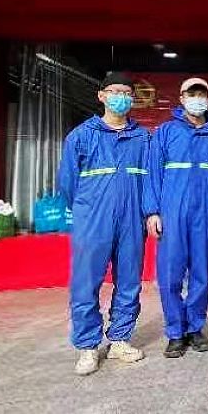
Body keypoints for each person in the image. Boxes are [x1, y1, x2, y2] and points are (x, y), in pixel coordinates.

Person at [58, 72, 150, 376]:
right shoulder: (81, 136)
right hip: (92, 219)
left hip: (132, 219)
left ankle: (120, 339)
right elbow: (68, 184)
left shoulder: (142, 138)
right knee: (86, 282)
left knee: (129, 280)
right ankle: (88, 346)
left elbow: (151, 181)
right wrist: (86, 211)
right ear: (101, 96)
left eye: (126, 93)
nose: (120, 97)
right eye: (115, 91)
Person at [145, 77, 208, 358]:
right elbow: (152, 173)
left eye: (201, 94)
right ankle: (175, 332)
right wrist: (153, 211)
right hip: (172, 211)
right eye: (191, 94)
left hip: (205, 210)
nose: (197, 99)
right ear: (181, 99)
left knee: (201, 273)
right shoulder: (166, 132)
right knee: (170, 274)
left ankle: (194, 328)